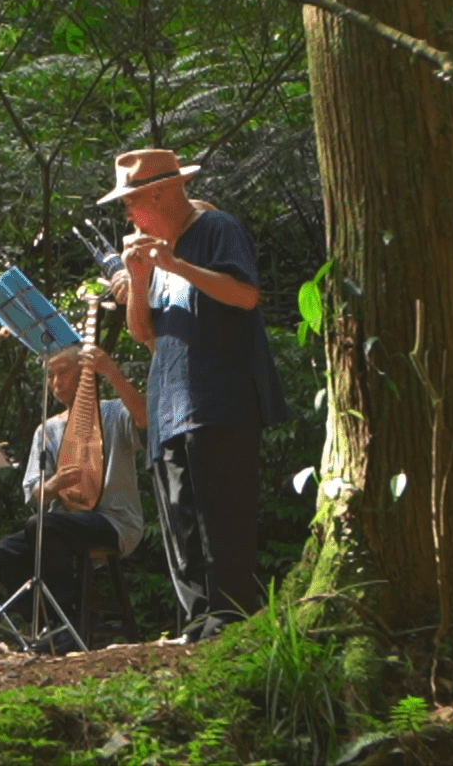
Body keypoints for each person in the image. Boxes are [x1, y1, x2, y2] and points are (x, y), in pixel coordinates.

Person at [102, 147, 289, 643]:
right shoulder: (154, 251)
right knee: (181, 520)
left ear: (158, 193)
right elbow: (144, 334)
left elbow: (245, 295)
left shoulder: (216, 229)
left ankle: (230, 623)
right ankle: (198, 623)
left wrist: (177, 266)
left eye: (130, 202)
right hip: (169, 405)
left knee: (220, 517)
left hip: (221, 397)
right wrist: (141, 279)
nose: (127, 214)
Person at [0, 342, 148, 628]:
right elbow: (34, 493)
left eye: (63, 372)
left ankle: (68, 623)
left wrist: (112, 373)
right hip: (62, 526)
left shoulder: (112, 413)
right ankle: (53, 621)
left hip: (112, 522)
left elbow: (145, 418)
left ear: (85, 374)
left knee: (43, 526)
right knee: (3, 553)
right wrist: (53, 485)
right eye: (50, 376)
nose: (55, 382)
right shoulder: (47, 430)